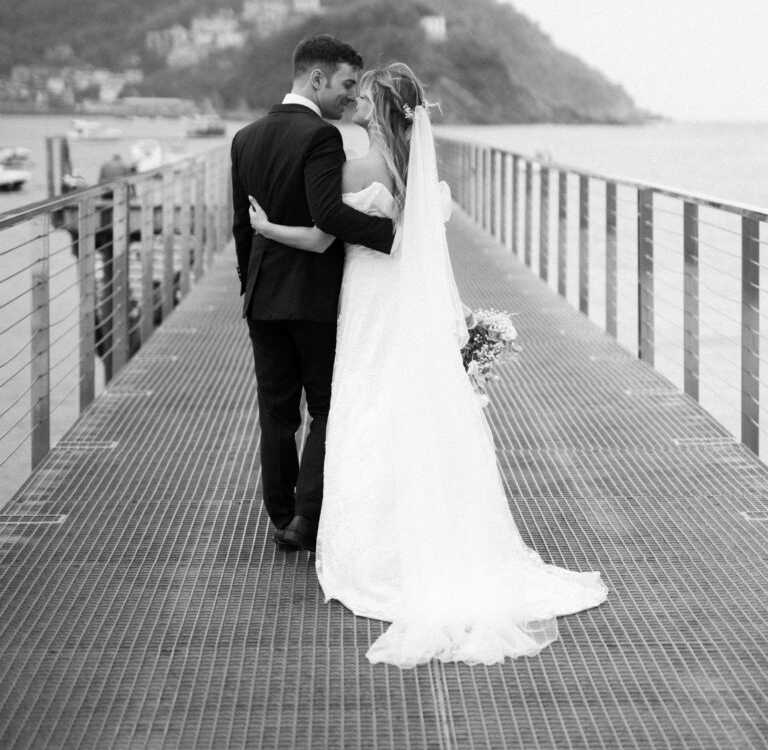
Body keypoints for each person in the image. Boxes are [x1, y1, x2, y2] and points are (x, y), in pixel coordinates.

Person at [248, 60, 608, 668]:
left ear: (379, 108)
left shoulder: (352, 166)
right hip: (405, 298)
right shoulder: (416, 170)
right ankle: (424, 534)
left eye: (363, 96)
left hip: (365, 296)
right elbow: (423, 245)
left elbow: (320, 236)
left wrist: (265, 226)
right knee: (405, 403)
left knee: (364, 403)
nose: (355, 101)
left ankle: (374, 549)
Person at [231, 35, 394, 556]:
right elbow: (327, 217)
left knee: (275, 412)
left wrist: (248, 289)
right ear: (316, 78)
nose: (348, 97)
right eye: (345, 84)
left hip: (263, 297)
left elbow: (242, 228)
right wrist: (400, 241)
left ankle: (280, 515)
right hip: (314, 299)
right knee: (325, 407)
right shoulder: (321, 138)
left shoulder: (245, 137)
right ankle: (306, 517)